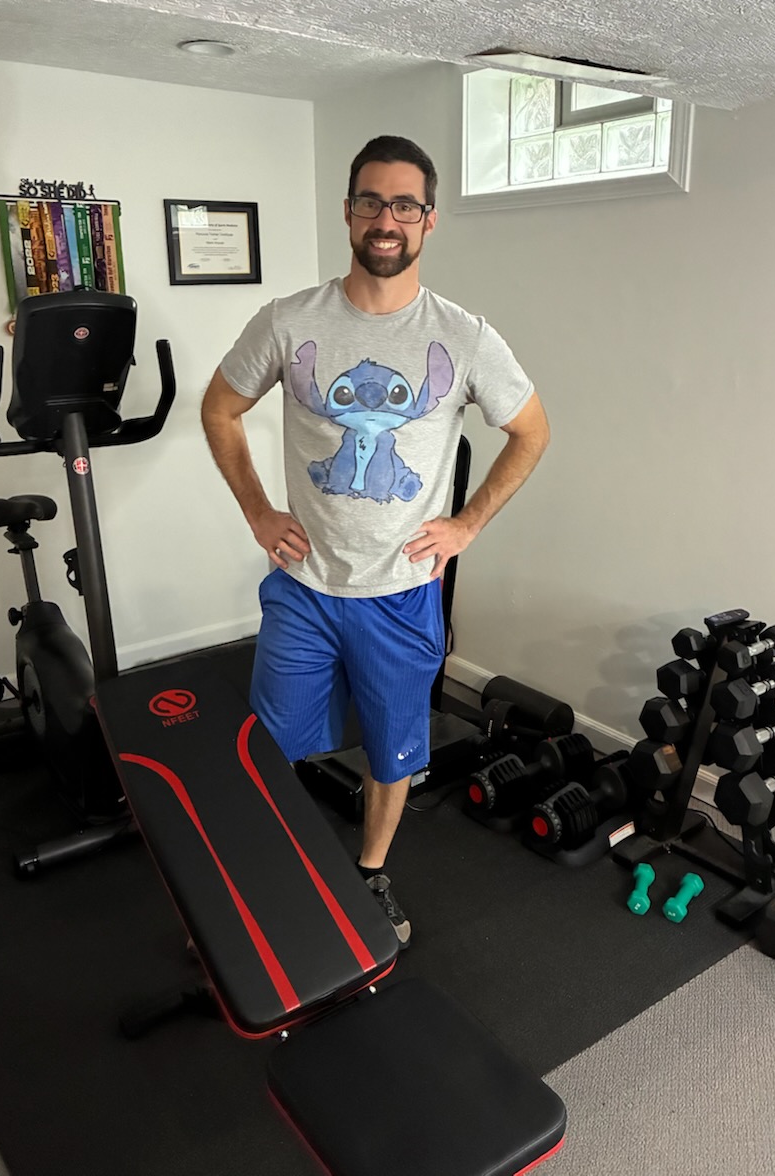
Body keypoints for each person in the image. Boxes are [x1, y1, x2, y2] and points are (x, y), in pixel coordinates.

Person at [201, 135, 549, 947]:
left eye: (403, 205)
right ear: (348, 212)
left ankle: (369, 873)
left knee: (394, 754)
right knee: (270, 747)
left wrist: (467, 524)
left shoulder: (464, 336)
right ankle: (264, 877)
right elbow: (220, 408)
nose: (385, 220)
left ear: (428, 219)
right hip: (304, 587)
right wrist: (257, 511)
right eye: (370, 202)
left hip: (402, 595)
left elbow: (531, 431)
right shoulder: (289, 321)